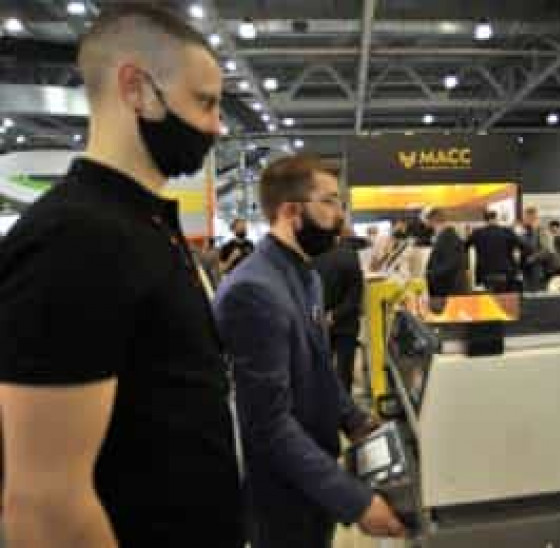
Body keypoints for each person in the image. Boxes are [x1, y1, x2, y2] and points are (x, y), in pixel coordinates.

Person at [0, 5, 243, 548]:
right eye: (204, 102)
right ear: (136, 88)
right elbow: (44, 506)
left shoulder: (144, 225)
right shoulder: (76, 240)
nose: (216, 126)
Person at [213, 155, 405, 548]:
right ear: (291, 212)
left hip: (313, 472)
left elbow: (319, 367)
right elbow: (267, 424)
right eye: (329, 201)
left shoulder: (307, 277)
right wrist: (355, 502)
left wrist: (357, 422)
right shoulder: (254, 291)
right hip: (282, 491)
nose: (340, 215)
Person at [313, 224, 365, 394]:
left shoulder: (310, 258)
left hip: (318, 322)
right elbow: (355, 296)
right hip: (346, 323)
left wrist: (321, 315)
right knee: (344, 371)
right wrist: (334, 315)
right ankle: (345, 405)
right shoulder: (350, 256)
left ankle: (326, 404)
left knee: (322, 371)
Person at [466, 209, 522, 292]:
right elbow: (521, 246)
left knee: (489, 296)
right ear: (496, 218)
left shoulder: (477, 233)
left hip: (485, 272)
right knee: (505, 296)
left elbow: (464, 247)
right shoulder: (507, 232)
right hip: (505, 272)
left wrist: (467, 267)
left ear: (485, 220)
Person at [424, 207, 470, 297]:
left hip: (450, 290)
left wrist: (430, 274)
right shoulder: (449, 237)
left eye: (431, 225)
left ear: (434, 221)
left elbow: (448, 266)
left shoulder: (448, 238)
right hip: (451, 289)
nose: (432, 229)